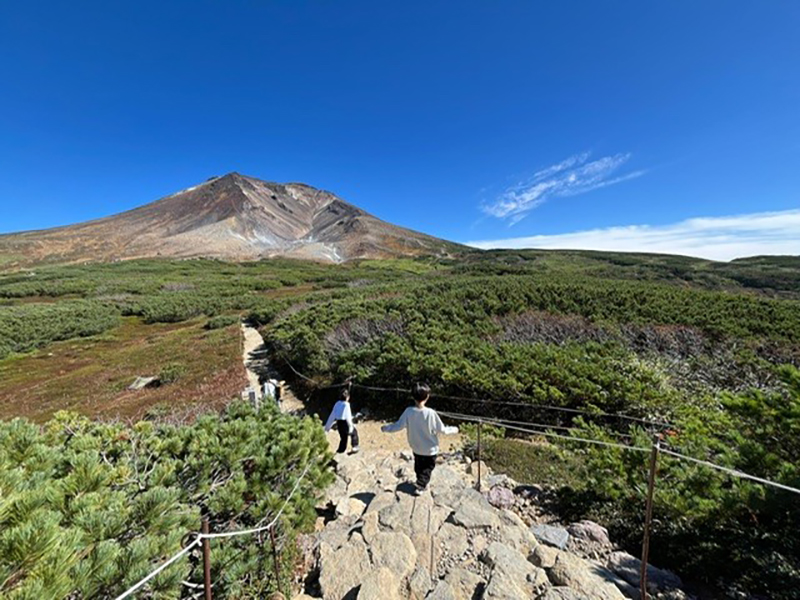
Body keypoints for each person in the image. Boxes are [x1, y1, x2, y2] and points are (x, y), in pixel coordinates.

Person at [381, 382, 458, 494]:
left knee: (419, 467)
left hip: (416, 447)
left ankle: (420, 481)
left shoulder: (408, 411)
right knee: (427, 468)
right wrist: (454, 429)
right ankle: (421, 486)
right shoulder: (431, 413)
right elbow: (442, 429)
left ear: (413, 397)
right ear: (427, 396)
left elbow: (398, 426)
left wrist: (386, 428)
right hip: (430, 449)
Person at [324, 388, 360, 454]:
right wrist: (350, 426)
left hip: (339, 424)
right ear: (347, 397)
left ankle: (340, 451)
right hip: (345, 422)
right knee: (354, 433)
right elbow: (348, 416)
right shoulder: (346, 404)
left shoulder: (337, 404)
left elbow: (332, 416)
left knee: (343, 439)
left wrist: (327, 428)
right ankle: (355, 446)